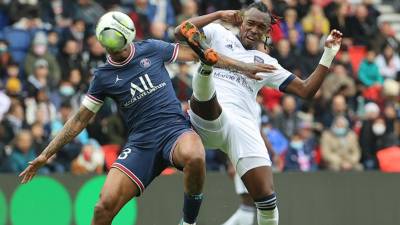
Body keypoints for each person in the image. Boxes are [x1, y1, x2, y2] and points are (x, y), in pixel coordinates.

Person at [19, 11, 269, 225]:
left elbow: (203, 56)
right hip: (141, 144)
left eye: (120, 47)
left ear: (129, 37)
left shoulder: (152, 48)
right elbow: (78, 120)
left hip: (174, 131)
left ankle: (188, 221)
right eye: (111, 49)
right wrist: (45, 154)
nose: (116, 53)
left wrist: (244, 67)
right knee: (101, 209)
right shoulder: (103, 77)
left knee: (195, 155)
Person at [175, 2, 342, 224]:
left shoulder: (266, 63)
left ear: (266, 32)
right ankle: (207, 67)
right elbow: (180, 32)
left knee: (266, 200)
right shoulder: (217, 33)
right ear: (241, 21)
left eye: (260, 27)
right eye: (250, 23)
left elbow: (306, 90)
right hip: (207, 115)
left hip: (241, 125)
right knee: (206, 77)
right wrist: (217, 14)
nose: (254, 30)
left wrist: (329, 53)